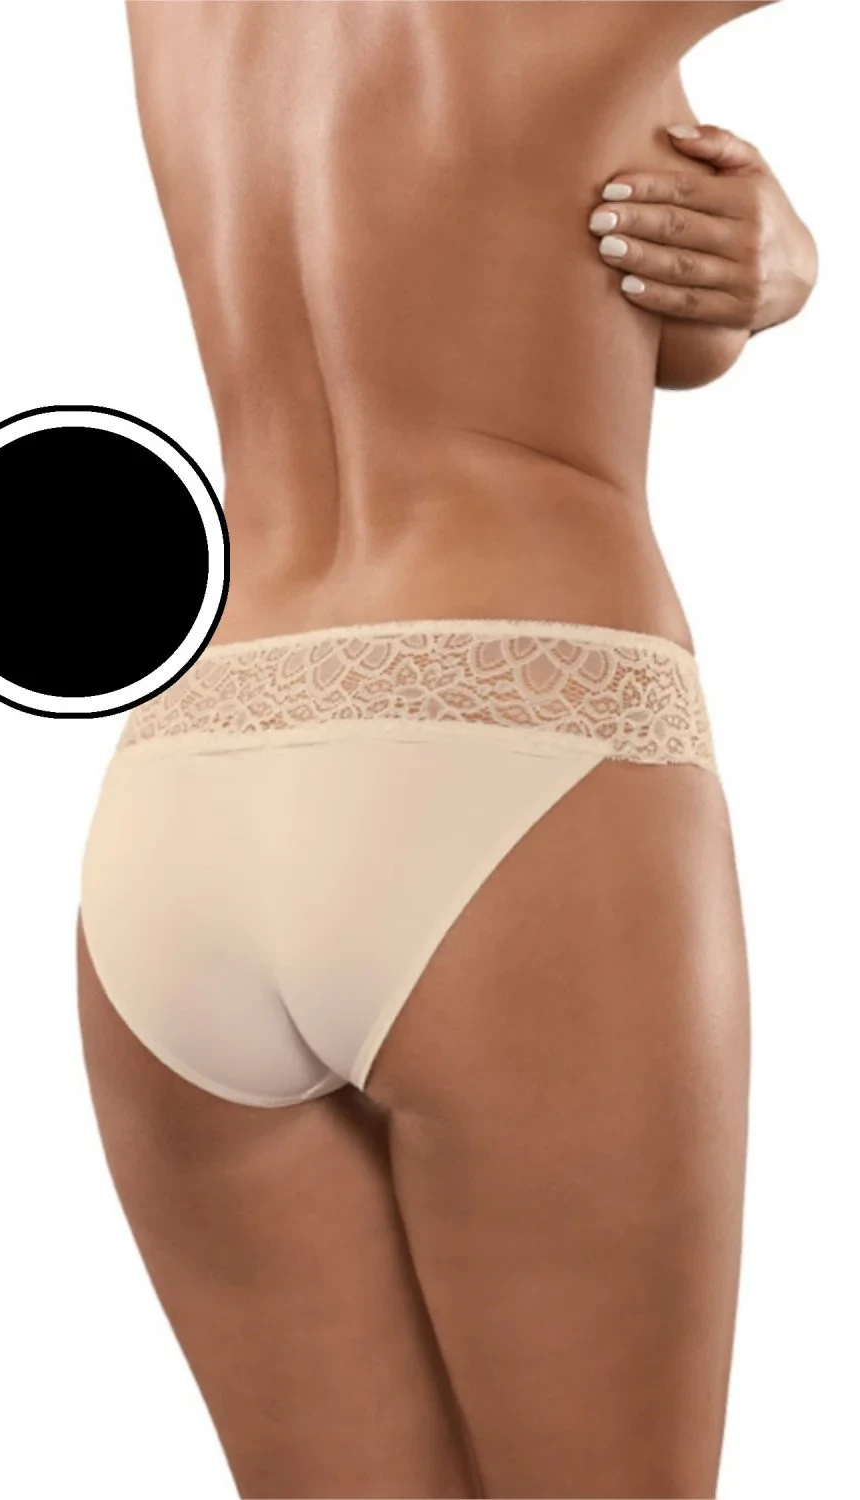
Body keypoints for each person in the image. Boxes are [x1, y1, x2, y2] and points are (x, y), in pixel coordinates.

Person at [77, 4, 816, 1497]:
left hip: (192, 783)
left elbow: (484, 235)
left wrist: (742, 268)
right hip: (513, 753)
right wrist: (800, 268)